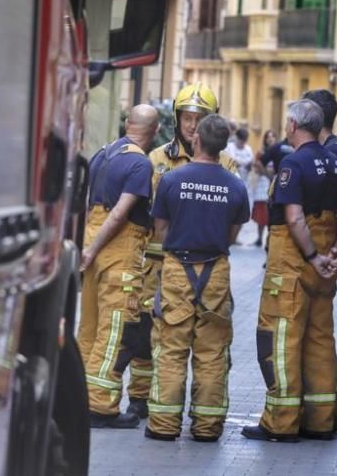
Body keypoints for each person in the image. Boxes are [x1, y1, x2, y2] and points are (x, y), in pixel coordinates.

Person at [243, 100, 337, 443]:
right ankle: (320, 420)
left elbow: (293, 217)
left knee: (281, 340)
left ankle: (281, 422)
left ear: (293, 125)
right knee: (320, 338)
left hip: (293, 265)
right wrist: (335, 253)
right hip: (325, 266)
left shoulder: (293, 164)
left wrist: (311, 256)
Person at [128, 83, 236, 419]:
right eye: (187, 117)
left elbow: (229, 221)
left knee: (202, 343)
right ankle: (140, 398)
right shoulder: (157, 159)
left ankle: (189, 410)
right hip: (157, 267)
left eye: (198, 118)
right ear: (177, 119)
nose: (191, 125)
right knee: (147, 336)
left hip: (202, 265)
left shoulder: (227, 165)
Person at [146, 115, 250, 442]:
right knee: (212, 351)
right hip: (216, 270)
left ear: (196, 141)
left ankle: (163, 425)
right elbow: (233, 233)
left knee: (172, 347)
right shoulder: (235, 184)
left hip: (177, 267)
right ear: (223, 147)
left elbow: (160, 229)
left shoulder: (172, 179)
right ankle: (207, 427)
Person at [77, 104, 160, 429]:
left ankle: (81, 396)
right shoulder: (140, 163)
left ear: (127, 123)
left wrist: (86, 248)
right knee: (114, 330)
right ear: (153, 132)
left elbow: (87, 206)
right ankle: (101, 406)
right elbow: (119, 214)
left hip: (91, 244)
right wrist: (94, 248)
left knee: (89, 329)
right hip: (117, 252)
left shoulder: (102, 154)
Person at [303, 89, 337, 429]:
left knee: (313, 335)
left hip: (315, 258)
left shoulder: (328, 156)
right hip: (328, 255)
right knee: (321, 334)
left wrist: (328, 251)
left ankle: (316, 415)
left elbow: (309, 212)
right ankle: (326, 413)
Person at [250, 130, 278, 246]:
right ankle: (259, 238)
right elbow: (257, 168)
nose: (270, 139)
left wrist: (265, 171)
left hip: (274, 184)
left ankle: (269, 240)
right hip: (262, 184)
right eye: (268, 137)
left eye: (272, 136)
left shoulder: (279, 151)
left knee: (271, 213)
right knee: (261, 211)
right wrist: (267, 172)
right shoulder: (261, 153)